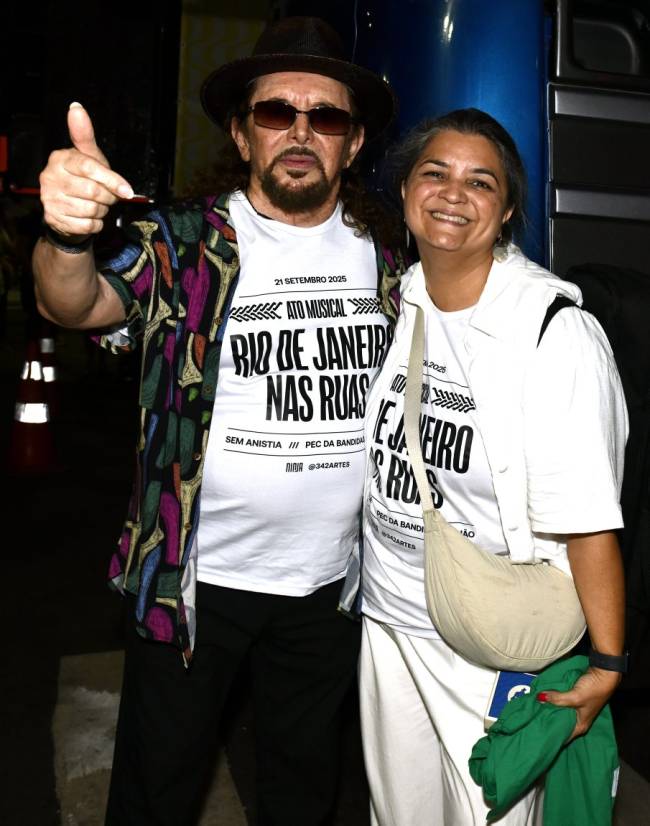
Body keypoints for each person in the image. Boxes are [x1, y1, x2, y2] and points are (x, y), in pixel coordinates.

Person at [33, 17, 405, 826]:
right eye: (276, 113)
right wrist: (66, 234)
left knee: (305, 791)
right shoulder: (187, 243)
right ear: (241, 134)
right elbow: (78, 300)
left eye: (327, 117)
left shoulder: (390, 254)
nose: (301, 132)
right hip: (195, 585)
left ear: (353, 142)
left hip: (334, 587)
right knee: (156, 790)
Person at [353, 108, 628, 825]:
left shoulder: (552, 333)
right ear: (406, 189)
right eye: (435, 173)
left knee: (488, 814)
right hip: (389, 622)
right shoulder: (406, 297)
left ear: (506, 211)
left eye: (480, 182)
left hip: (487, 644)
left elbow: (590, 519)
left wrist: (608, 663)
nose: (453, 193)